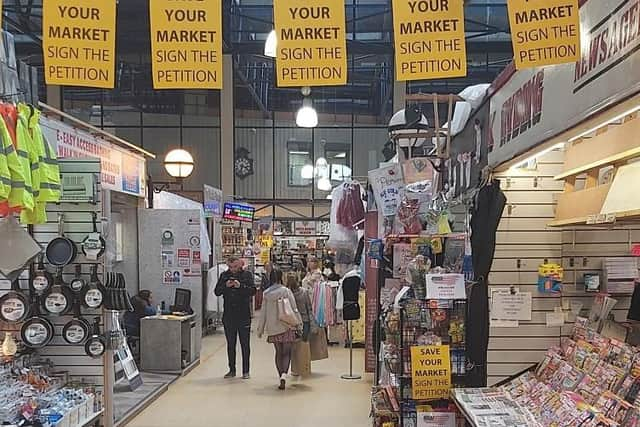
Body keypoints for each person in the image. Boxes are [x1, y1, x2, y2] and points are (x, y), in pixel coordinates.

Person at [257, 268, 300, 390]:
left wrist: (260, 329)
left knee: (278, 353)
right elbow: (294, 308)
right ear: (282, 277)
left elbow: (263, 313)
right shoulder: (286, 291)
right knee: (287, 353)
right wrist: (299, 323)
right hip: (287, 325)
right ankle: (284, 376)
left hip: (273, 327)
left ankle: (279, 375)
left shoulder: (266, 294)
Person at [215, 257, 256, 379]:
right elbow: (217, 291)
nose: (232, 270)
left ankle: (246, 371)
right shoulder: (224, 276)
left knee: (245, 344)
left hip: (243, 315)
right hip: (229, 315)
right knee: (230, 344)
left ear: (240, 265)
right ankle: (232, 370)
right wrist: (226, 286)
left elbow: (253, 291)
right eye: (230, 267)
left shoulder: (247, 275)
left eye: (235, 267)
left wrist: (240, 286)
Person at [286, 273, 314, 377]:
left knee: (294, 346)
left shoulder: (287, 294)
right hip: (304, 320)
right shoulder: (304, 292)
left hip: (292, 322)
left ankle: (295, 369)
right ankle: (305, 367)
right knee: (304, 345)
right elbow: (309, 308)